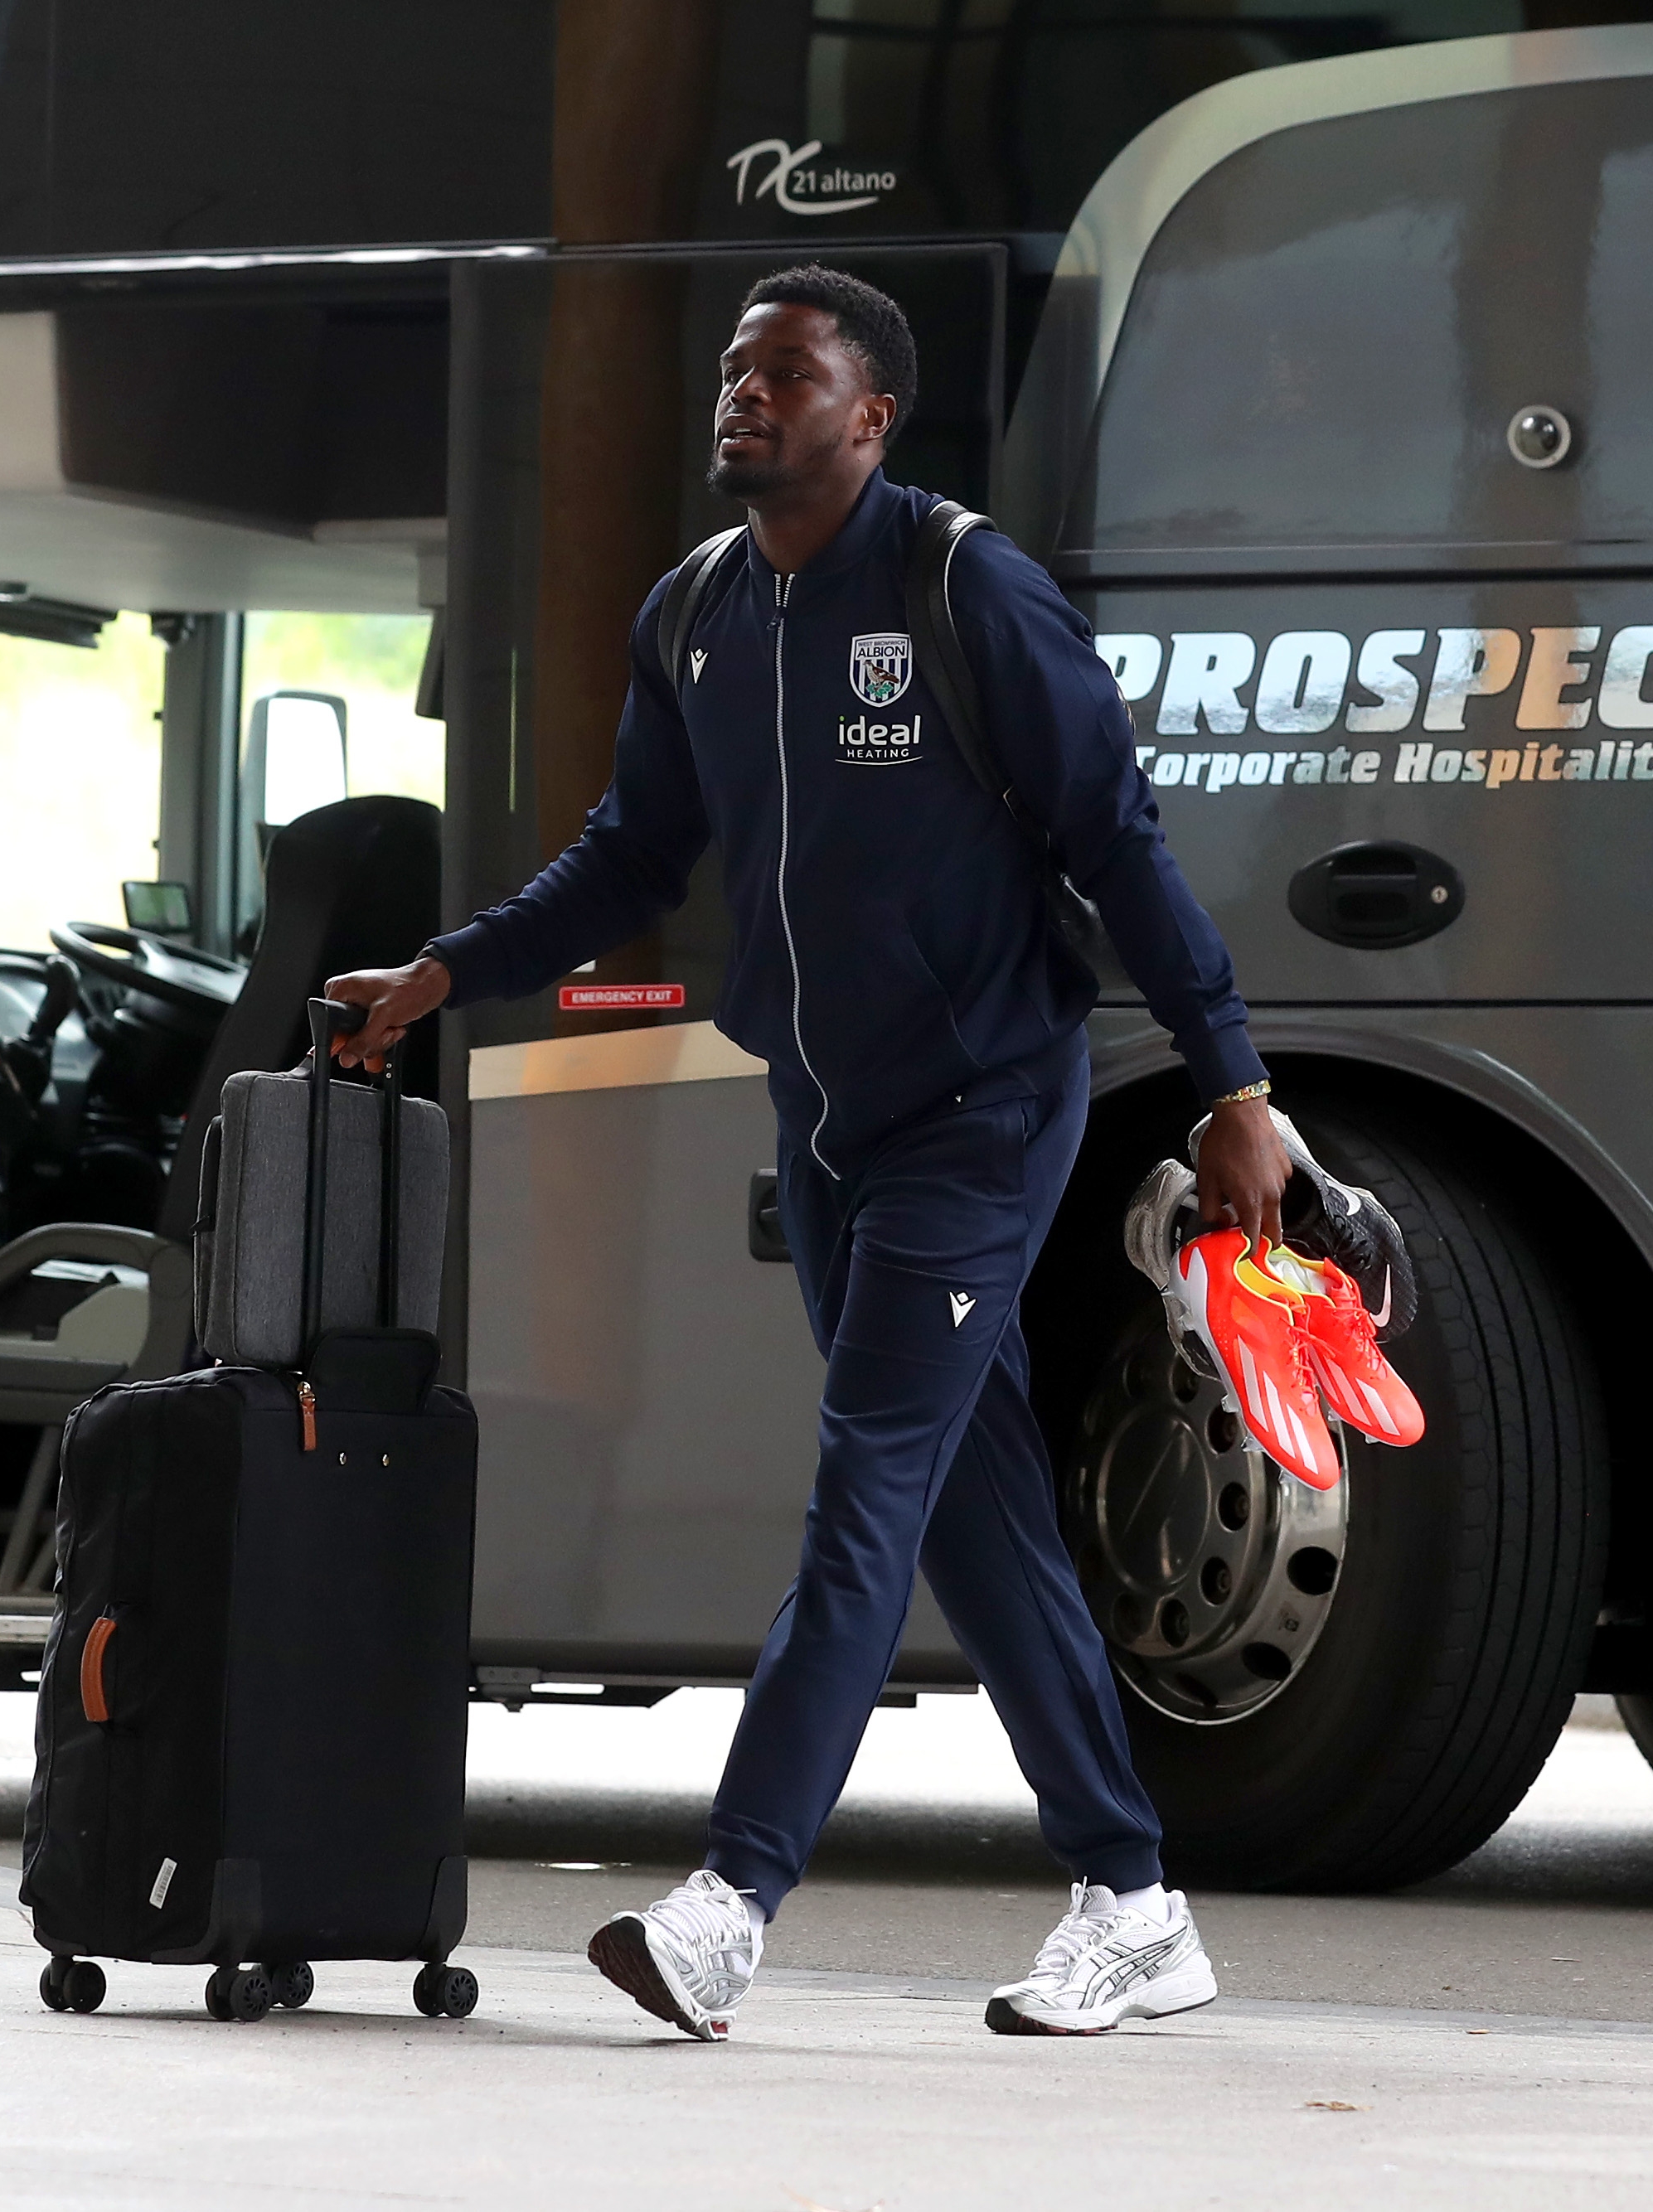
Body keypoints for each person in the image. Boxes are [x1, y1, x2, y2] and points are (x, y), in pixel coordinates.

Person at [325, 266, 1288, 2040]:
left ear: (870, 415)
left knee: (863, 1492)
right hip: (829, 1122)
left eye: (787, 374)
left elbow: (1118, 840)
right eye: (733, 371)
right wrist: (444, 976)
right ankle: (1138, 1902)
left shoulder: (958, 586)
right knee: (974, 1511)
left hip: (981, 1110)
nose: (742, 396)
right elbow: (627, 862)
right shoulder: (698, 610)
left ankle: (729, 1901)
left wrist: (1232, 1082)